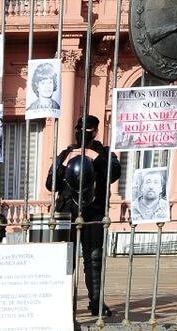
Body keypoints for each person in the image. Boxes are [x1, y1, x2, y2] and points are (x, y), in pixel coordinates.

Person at [47, 115, 121, 317]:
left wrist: (95, 157)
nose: (82, 133)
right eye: (79, 128)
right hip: (66, 211)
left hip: (93, 211)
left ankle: (96, 301)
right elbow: (50, 182)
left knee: (94, 258)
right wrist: (65, 163)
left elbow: (114, 173)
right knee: (64, 259)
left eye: (87, 130)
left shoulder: (104, 152)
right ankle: (62, 301)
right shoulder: (66, 152)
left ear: (95, 132)